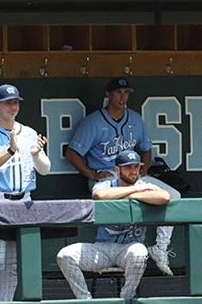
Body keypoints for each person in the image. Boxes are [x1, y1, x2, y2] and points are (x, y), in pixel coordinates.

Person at [65, 77, 181, 275]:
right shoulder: (94, 122)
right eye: (118, 92)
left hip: (132, 177)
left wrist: (142, 170)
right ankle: (115, 252)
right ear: (108, 94)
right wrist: (91, 173)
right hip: (106, 177)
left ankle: (160, 248)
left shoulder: (135, 119)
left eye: (126, 92)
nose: (122, 97)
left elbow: (146, 148)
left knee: (175, 196)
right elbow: (71, 153)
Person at [0, 83, 50, 302]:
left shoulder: (29, 133)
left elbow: (45, 169)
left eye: (15, 102)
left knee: (13, 266)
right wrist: (10, 151)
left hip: (23, 202)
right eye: (7, 103)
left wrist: (36, 154)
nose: (12, 107)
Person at [56, 150, 171, 300]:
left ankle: (126, 298)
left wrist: (129, 194)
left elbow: (165, 196)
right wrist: (135, 190)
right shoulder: (107, 184)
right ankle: (85, 300)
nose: (133, 171)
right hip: (103, 248)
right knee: (65, 255)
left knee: (140, 253)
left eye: (136, 167)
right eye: (128, 167)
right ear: (117, 169)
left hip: (129, 248)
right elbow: (98, 195)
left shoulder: (146, 185)